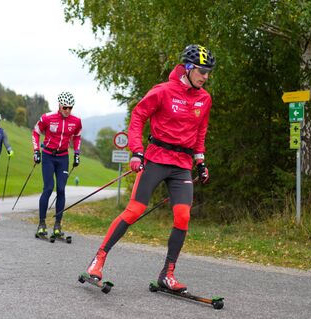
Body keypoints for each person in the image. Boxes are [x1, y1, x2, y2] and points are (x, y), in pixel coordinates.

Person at [85, 44, 215, 291]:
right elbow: (138, 117)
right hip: (155, 158)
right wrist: (136, 151)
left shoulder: (204, 98)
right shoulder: (163, 91)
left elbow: (201, 132)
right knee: (134, 211)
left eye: (208, 72)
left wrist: (201, 161)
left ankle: (167, 274)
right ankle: (98, 260)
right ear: (188, 68)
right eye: (202, 71)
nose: (206, 76)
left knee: (183, 216)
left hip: (181, 165)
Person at [32, 91, 82, 236]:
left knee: (61, 189)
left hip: (63, 158)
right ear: (59, 105)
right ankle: (41, 224)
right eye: (65, 107)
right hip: (48, 156)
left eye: (70, 108)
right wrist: (36, 151)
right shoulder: (47, 118)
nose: (67, 110)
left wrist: (77, 153)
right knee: (48, 188)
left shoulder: (76, 121)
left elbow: (77, 137)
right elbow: (35, 132)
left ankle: (58, 225)